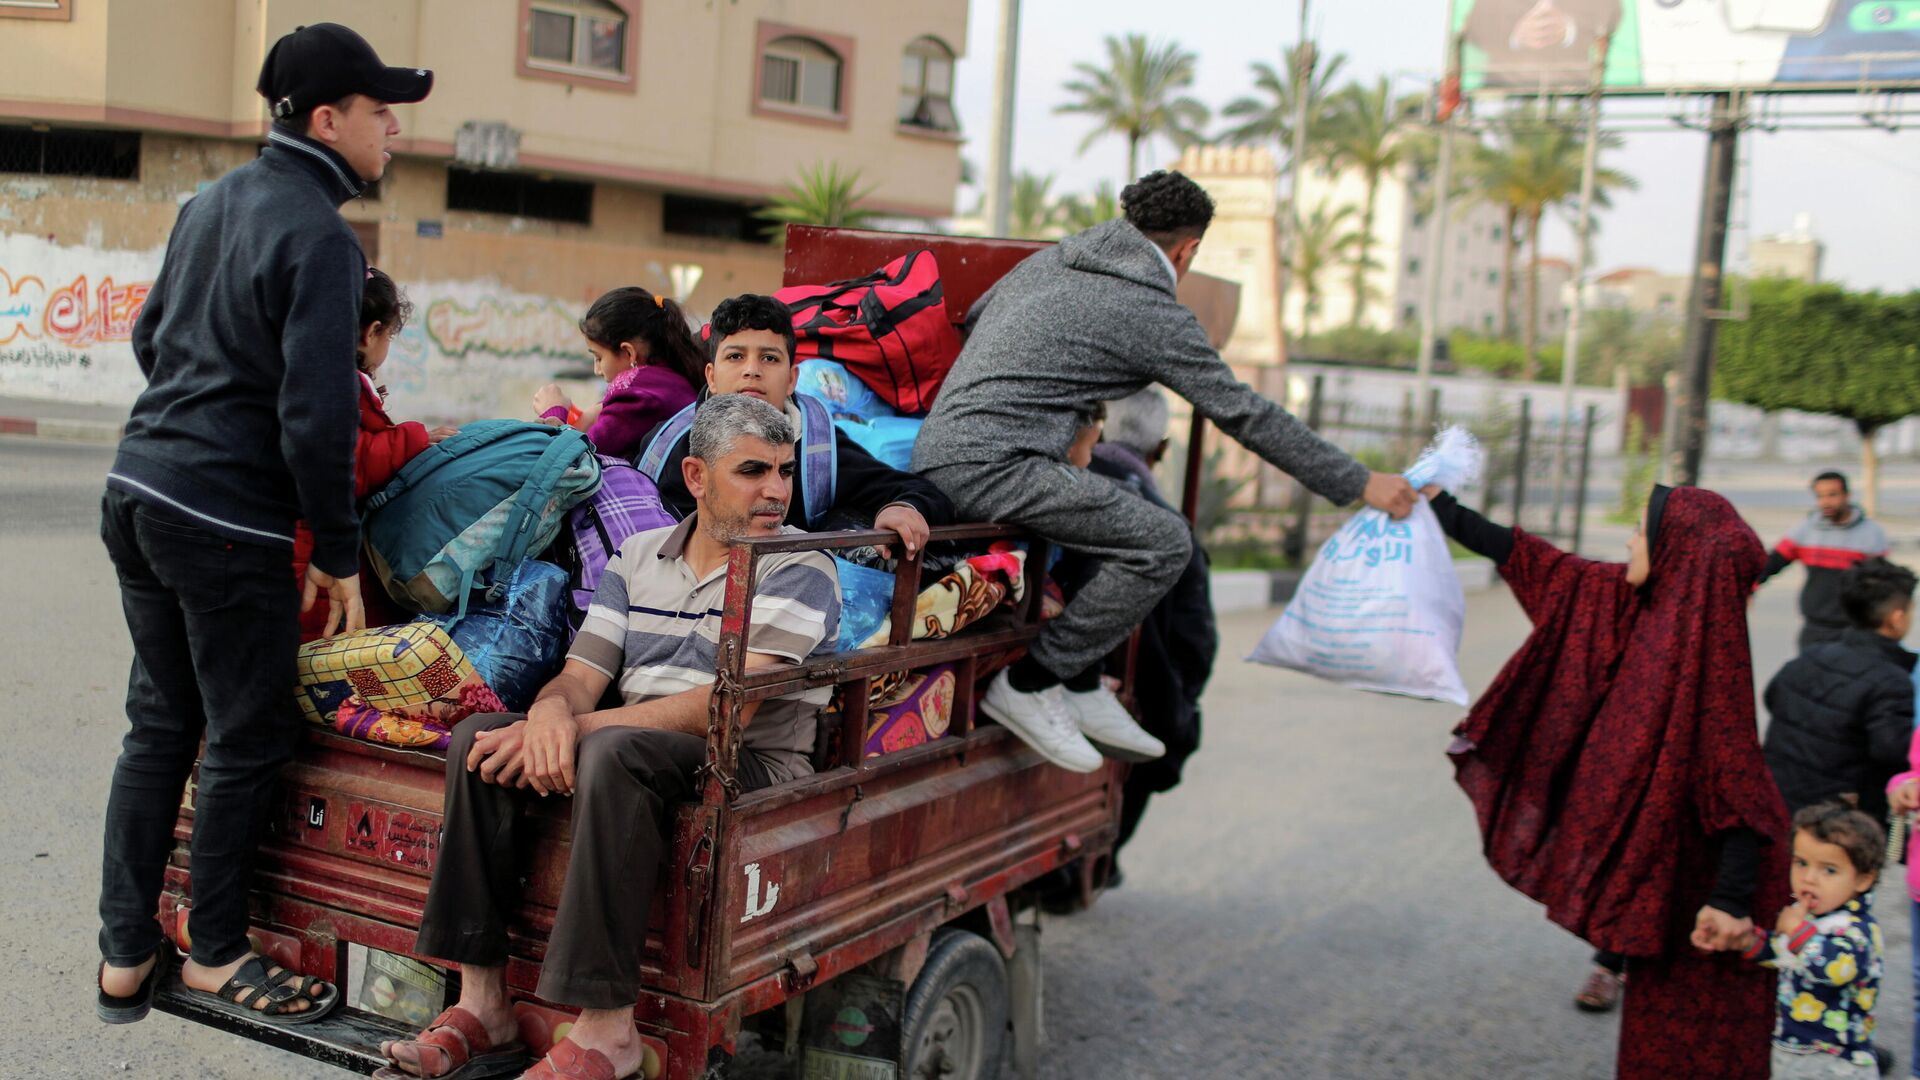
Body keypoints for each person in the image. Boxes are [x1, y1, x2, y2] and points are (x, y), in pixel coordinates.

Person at [95, 23, 430, 1027]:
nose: (394, 133)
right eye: (382, 113)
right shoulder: (324, 239)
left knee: (160, 722)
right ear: (329, 120)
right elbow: (316, 412)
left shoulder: (212, 203)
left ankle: (124, 956)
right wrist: (331, 549)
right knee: (249, 731)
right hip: (220, 518)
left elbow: (154, 337)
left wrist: (197, 425)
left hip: (138, 486)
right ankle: (218, 950)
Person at [379, 395, 839, 1080]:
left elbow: (728, 711)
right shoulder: (638, 555)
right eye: (752, 471)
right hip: (640, 747)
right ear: (696, 476)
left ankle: (607, 1033)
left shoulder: (800, 565)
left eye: (783, 471)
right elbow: (580, 673)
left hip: (749, 766)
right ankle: (484, 1005)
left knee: (611, 749)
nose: (775, 490)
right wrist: (547, 717)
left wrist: (576, 727)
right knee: (481, 740)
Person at [912, 170, 1414, 775]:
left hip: (944, 446)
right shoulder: (1151, 310)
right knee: (1162, 541)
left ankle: (1077, 683)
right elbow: (1244, 412)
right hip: (993, 464)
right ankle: (1029, 683)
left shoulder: (1051, 262)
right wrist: (1360, 482)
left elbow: (981, 316)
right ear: (1188, 251)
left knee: (1112, 509)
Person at [1424, 482, 1789, 1079]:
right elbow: (1535, 560)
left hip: (1714, 910)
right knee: (1652, 1046)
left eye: (1643, 532)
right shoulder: (1627, 602)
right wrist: (1442, 508)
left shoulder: (1708, 656)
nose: (1629, 540)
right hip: (1667, 902)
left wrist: (1729, 901)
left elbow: (1737, 786)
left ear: (1679, 550)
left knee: (1700, 1052)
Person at [639, 293, 953, 555]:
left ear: (792, 380)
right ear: (711, 377)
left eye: (770, 358)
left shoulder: (818, 449)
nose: (752, 371)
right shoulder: (668, 444)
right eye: (735, 357)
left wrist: (902, 509)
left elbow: (919, 492)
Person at [291, 267, 457, 642]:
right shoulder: (337, 385)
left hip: (307, 542)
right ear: (371, 332)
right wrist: (412, 438)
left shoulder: (310, 372)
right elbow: (351, 460)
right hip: (316, 550)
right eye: (390, 335)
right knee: (327, 643)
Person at [1089, 388, 1216, 865]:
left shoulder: (1038, 485)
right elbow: (1195, 644)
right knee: (1174, 730)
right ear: (1161, 450)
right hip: (1132, 700)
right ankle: (1104, 857)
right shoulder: (1167, 528)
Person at [1763, 557, 1918, 823]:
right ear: (1897, 617)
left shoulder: (1811, 655)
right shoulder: (1892, 680)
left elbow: (1772, 697)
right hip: (1837, 816)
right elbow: (1893, 751)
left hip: (1780, 798)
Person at [1745, 801, 1886, 1079]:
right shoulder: (1813, 919)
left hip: (1835, 1060)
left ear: (1863, 880)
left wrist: (1796, 932)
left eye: (1829, 870)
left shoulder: (1857, 931)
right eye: (1801, 863)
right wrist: (1748, 942)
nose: (1809, 878)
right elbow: (1785, 954)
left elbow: (1832, 968)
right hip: (1795, 1048)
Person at [533, 286, 703, 460]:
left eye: (599, 358)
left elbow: (571, 458)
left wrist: (553, 414)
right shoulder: (668, 379)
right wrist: (602, 408)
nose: (596, 370)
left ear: (629, 353)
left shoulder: (638, 399)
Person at [1757, 471, 1891, 652]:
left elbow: (1882, 583)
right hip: (1815, 629)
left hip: (1854, 629)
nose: (1825, 502)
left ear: (1847, 495)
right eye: (1820, 496)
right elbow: (1771, 564)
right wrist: (1749, 588)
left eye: (1832, 495)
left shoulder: (1871, 534)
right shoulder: (1805, 531)